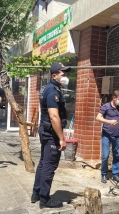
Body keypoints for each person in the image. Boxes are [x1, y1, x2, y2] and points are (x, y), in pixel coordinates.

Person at [31, 62, 70, 208]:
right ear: (54, 75)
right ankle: (44, 199)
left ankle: (36, 193)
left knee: (43, 163)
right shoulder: (53, 91)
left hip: (45, 130)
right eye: (62, 73)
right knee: (49, 166)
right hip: (51, 133)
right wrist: (61, 138)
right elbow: (54, 116)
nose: (65, 76)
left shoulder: (49, 88)